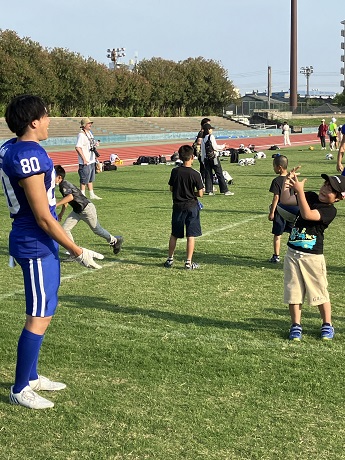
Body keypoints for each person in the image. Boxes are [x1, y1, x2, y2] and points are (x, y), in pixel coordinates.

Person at [0, 95, 104, 410]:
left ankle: (30, 377)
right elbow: (44, 216)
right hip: (34, 240)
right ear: (33, 121)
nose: (49, 121)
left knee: (45, 309)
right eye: (45, 116)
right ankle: (20, 388)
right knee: (39, 315)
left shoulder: (10, 146)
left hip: (35, 238)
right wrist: (76, 249)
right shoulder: (28, 154)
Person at [280, 167, 345, 341]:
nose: (325, 190)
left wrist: (300, 191)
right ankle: (295, 325)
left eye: (332, 190)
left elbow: (307, 214)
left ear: (339, 198)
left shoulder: (330, 211)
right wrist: (288, 181)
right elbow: (285, 199)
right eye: (325, 185)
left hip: (313, 257)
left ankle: (327, 324)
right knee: (293, 291)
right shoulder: (309, 196)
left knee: (319, 292)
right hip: (293, 253)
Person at [54, 165, 123, 255]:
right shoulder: (62, 186)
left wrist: (56, 204)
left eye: (52, 176)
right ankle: (73, 252)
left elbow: (70, 197)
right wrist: (61, 213)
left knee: (97, 229)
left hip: (86, 209)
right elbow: (67, 200)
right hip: (77, 210)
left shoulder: (64, 184)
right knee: (65, 229)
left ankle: (115, 240)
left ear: (59, 177)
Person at [164, 145, 204, 270]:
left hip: (177, 206)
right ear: (192, 157)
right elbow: (201, 193)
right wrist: (192, 194)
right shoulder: (195, 174)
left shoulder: (175, 171)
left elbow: (171, 188)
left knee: (174, 234)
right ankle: (188, 262)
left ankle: (170, 259)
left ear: (180, 157)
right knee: (190, 235)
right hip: (191, 206)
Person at [268, 155, 292, 263]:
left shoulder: (277, 180)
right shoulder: (292, 178)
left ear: (279, 167)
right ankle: (293, 255)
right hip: (292, 211)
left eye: (274, 166)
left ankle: (276, 256)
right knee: (294, 233)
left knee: (277, 234)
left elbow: (276, 197)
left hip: (281, 211)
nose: (273, 168)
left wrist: (272, 212)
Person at [201, 123, 234, 196]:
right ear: (208, 130)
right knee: (219, 173)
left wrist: (203, 160)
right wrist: (223, 146)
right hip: (214, 158)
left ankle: (209, 190)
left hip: (206, 158)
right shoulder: (211, 136)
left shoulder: (203, 139)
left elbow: (203, 151)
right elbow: (215, 147)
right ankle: (225, 190)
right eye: (211, 129)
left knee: (208, 174)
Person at [75, 117, 102, 200]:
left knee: (90, 178)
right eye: (88, 123)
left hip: (91, 160)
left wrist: (95, 144)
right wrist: (84, 159)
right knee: (84, 179)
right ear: (84, 125)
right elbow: (78, 147)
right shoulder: (81, 135)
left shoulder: (90, 133)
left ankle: (91, 194)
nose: (90, 125)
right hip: (85, 161)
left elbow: (90, 143)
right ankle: (82, 195)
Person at [193, 117, 210, 184]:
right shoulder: (202, 133)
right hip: (200, 152)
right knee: (204, 168)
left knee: (204, 168)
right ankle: (202, 183)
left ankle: (203, 183)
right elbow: (199, 142)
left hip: (201, 152)